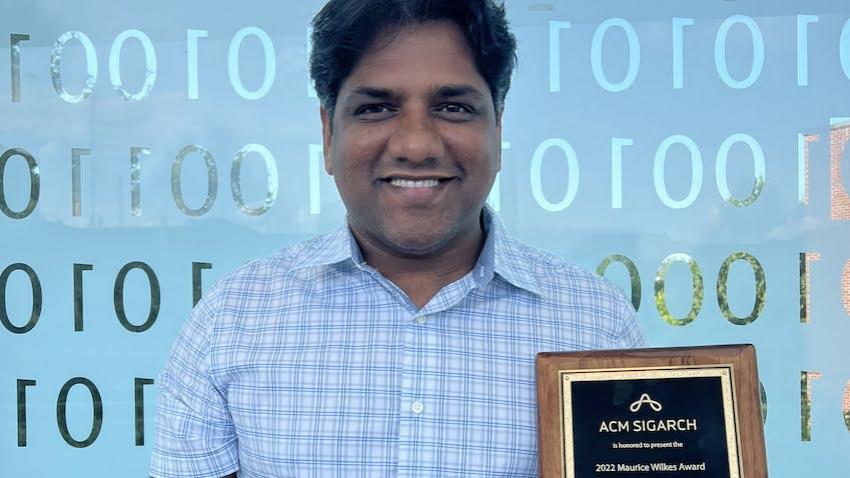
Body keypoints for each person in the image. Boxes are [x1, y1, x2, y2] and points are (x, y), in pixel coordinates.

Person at [149, 0, 646, 476]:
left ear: (498, 127)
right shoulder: (233, 320)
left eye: (452, 107)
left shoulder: (595, 325)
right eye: (376, 108)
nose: (416, 145)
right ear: (328, 134)